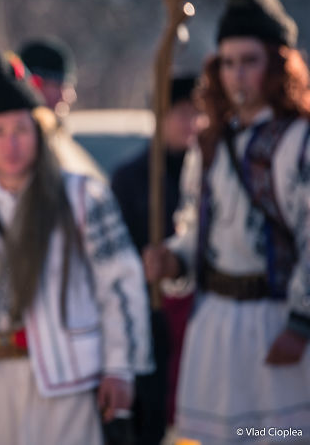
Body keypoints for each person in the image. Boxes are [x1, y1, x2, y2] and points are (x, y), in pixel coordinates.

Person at [144, 0, 310, 445]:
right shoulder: (210, 143)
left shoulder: (302, 140)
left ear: (278, 64)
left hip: (279, 324)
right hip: (217, 325)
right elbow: (196, 229)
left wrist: (300, 324)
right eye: (229, 63)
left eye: (250, 62)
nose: (238, 75)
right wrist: (173, 259)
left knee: (280, 436)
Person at [0, 52, 152, 445]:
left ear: (39, 135)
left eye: (22, 130)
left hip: (69, 381)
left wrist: (120, 368)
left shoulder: (83, 197)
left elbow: (120, 284)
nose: (11, 143)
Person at [110, 75, 201, 443]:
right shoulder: (132, 178)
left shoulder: (211, 174)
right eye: (181, 112)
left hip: (199, 316)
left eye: (198, 113)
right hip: (152, 317)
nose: (191, 122)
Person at [19, 38, 105, 181]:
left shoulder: (58, 137)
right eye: (60, 85)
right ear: (35, 84)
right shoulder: (17, 147)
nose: (69, 96)